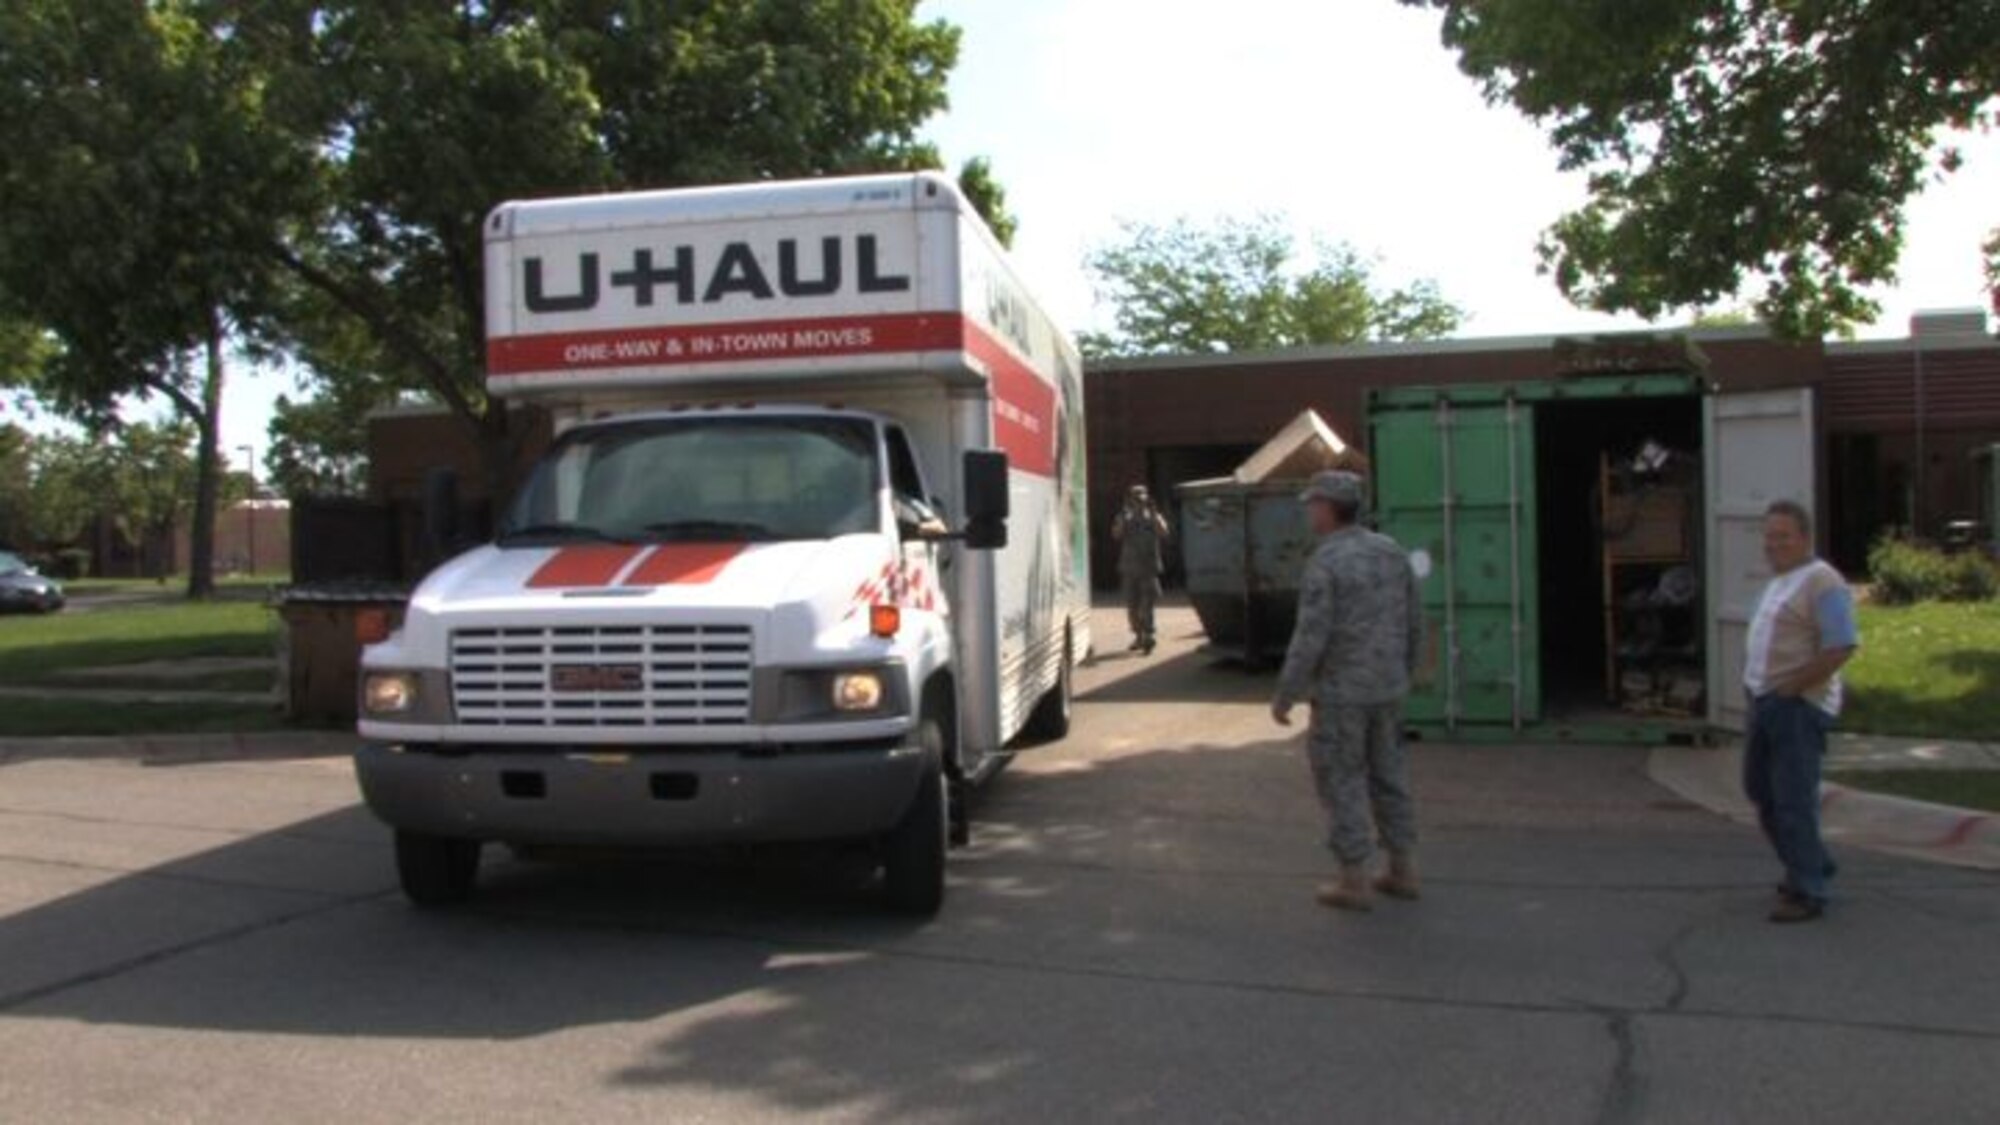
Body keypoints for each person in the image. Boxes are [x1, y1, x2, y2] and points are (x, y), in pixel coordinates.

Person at [1270, 470, 1424, 912]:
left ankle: (1353, 880)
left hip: (1342, 694)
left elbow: (1311, 636)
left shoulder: (1327, 561)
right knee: (1389, 776)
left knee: (1342, 779)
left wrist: (1286, 693)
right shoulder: (1391, 551)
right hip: (1387, 688)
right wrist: (1405, 672)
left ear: (1327, 507)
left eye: (1313, 504)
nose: (1309, 512)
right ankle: (1403, 869)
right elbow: (1415, 619)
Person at [1742, 500, 1859, 924]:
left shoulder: (1822, 581)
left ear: (1805, 538)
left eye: (1784, 536)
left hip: (1796, 706)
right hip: (1764, 701)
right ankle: (1811, 863)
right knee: (1761, 792)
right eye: (1769, 536)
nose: (1774, 544)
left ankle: (1809, 889)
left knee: (1792, 800)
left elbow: (1841, 645)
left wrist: (1793, 687)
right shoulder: (1779, 581)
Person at [1111, 484, 1169, 655]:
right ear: (1130, 500)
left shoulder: (1153, 517)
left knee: (1147, 605)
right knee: (1132, 607)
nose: (1139, 502)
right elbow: (1116, 535)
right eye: (1135, 499)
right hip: (1129, 568)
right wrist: (1123, 519)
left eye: (1141, 499)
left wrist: (1154, 515)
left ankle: (1148, 636)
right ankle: (1138, 635)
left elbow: (1164, 532)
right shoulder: (1124, 517)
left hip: (1148, 568)